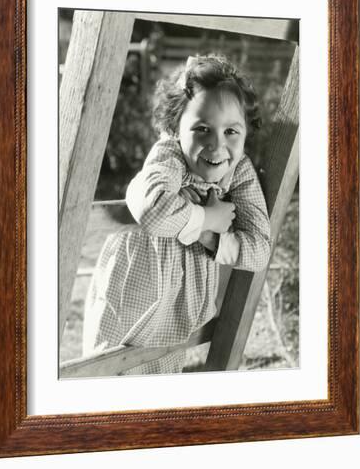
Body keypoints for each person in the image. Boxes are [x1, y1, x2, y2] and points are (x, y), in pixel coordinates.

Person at [82, 54, 271, 375]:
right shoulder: (169, 155)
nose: (216, 144)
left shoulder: (239, 171)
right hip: (135, 291)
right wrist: (207, 219)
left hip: (181, 303)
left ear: (245, 133)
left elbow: (259, 252)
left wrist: (209, 236)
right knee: (107, 378)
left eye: (231, 132)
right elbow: (153, 209)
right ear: (175, 128)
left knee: (160, 390)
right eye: (201, 128)